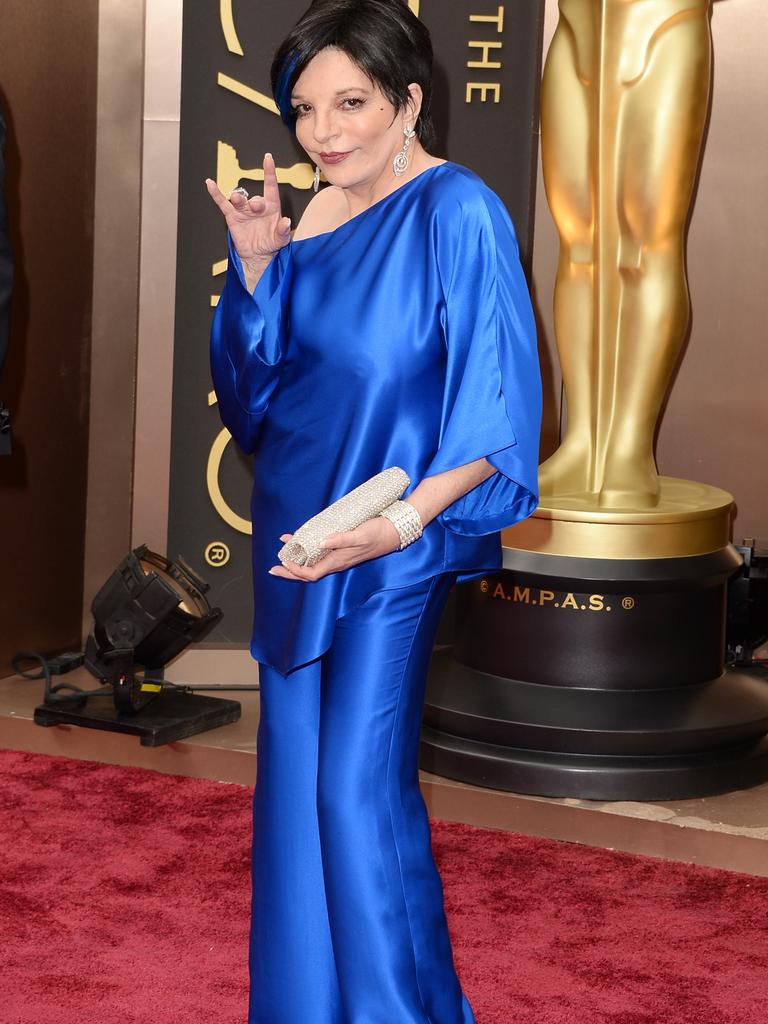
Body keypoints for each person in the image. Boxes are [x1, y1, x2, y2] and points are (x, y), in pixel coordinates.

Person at [206, 2, 541, 1021]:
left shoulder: (458, 211)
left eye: (351, 102)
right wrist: (259, 269)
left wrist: (399, 527)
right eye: (305, 108)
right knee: (297, 804)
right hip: (297, 541)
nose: (324, 131)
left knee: (357, 799)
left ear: (410, 100)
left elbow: (494, 408)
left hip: (390, 552)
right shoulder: (310, 216)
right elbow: (258, 406)